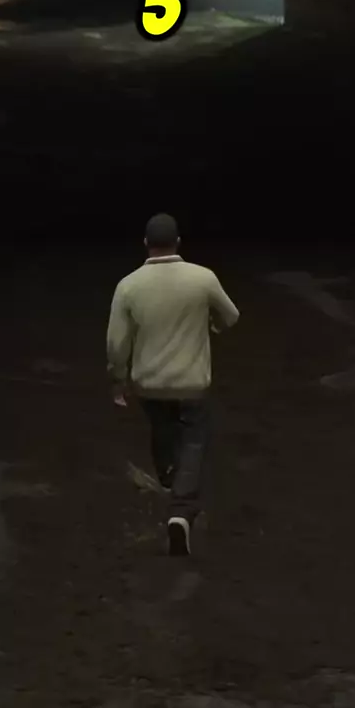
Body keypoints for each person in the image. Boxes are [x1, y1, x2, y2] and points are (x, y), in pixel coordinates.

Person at [106, 213, 240, 556]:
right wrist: (211, 327)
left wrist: (118, 378)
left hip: (149, 384)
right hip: (192, 382)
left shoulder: (128, 286)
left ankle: (168, 478)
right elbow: (231, 315)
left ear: (145, 244)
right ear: (178, 242)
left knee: (162, 429)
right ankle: (181, 510)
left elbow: (117, 343)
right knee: (194, 438)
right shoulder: (202, 278)